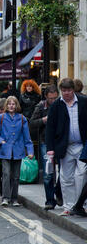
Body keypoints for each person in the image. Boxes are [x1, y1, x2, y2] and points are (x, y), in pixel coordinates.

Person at [46, 78, 87, 216]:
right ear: (61, 91)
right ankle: (69, 206)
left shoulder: (83, 101)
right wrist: (50, 148)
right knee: (66, 177)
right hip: (64, 146)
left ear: (73, 90)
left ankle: (81, 204)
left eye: (69, 90)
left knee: (81, 175)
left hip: (82, 145)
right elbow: (50, 128)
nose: (66, 93)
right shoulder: (56, 105)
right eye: (64, 91)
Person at [0, 96, 34, 207]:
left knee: (16, 176)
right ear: (6, 105)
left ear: (17, 106)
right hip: (5, 151)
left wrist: (30, 151)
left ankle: (14, 198)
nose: (11, 106)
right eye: (9, 104)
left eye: (13, 104)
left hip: (18, 150)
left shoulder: (22, 118)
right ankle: (5, 198)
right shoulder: (1, 118)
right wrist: (1, 141)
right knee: (6, 174)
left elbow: (27, 137)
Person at [30, 85, 62, 210]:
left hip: (59, 142)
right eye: (50, 99)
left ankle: (58, 192)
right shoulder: (40, 106)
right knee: (48, 173)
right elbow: (31, 123)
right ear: (46, 97)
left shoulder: (62, 105)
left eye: (55, 98)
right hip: (45, 142)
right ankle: (50, 200)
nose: (53, 101)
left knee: (64, 172)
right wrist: (44, 120)